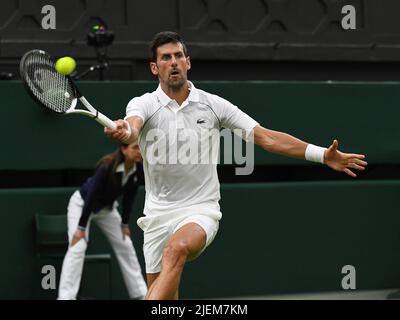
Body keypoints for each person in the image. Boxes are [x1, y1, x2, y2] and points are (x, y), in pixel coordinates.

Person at [104, 31, 368, 300]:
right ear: (154, 67)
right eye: (166, 58)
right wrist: (127, 130)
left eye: (178, 56)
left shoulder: (214, 105)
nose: (173, 62)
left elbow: (266, 138)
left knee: (176, 250)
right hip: (157, 216)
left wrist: (322, 154)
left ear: (188, 62)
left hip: (200, 210)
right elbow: (133, 127)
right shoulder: (143, 103)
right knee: (165, 298)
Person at [57, 142, 147, 300]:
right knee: (77, 246)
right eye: (135, 147)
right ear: (124, 149)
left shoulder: (138, 169)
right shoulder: (106, 166)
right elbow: (91, 196)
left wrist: (124, 224)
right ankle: (66, 297)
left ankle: (141, 294)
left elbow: (129, 198)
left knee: (125, 244)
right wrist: (81, 227)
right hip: (82, 204)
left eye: (140, 147)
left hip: (107, 209)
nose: (139, 151)